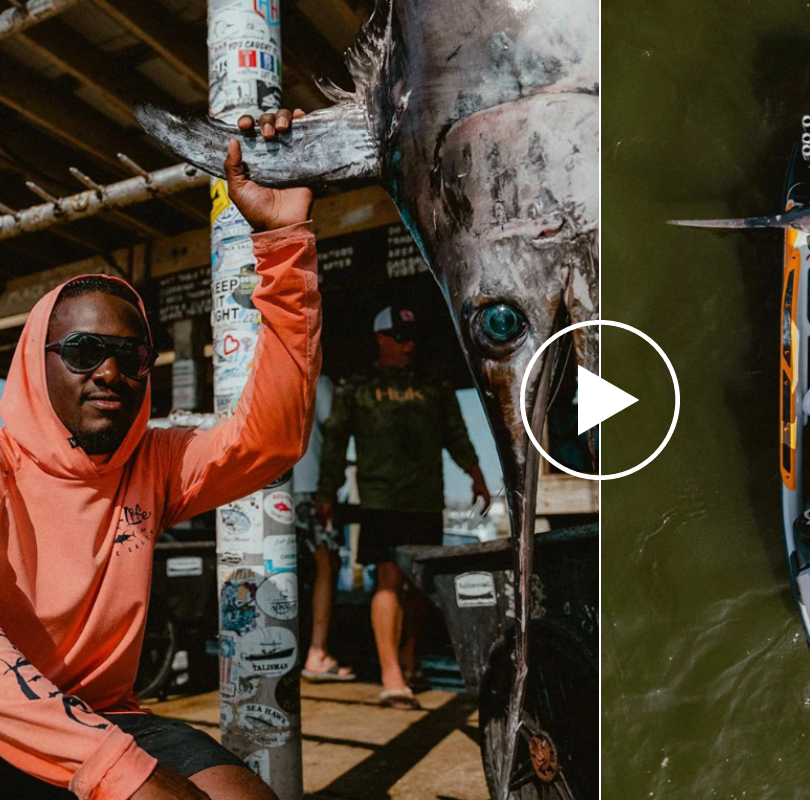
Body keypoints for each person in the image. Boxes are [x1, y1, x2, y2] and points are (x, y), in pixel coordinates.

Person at [0, 110, 318, 800]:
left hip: (106, 714)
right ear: (36, 361)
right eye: (83, 353)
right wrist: (124, 774)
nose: (109, 374)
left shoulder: (152, 462)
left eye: (129, 356)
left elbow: (273, 438)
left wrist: (283, 239)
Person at [316, 306, 489, 710]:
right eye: (399, 336)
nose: (409, 344)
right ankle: (391, 674)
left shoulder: (434, 384)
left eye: (412, 336)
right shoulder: (357, 386)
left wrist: (477, 475)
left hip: (426, 500)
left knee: (419, 585)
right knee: (388, 579)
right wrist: (327, 492)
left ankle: (411, 656)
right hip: (380, 501)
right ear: (380, 338)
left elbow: (457, 434)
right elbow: (336, 443)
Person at [297, 375, 357, 683]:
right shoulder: (318, 380)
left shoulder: (259, 373)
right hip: (312, 489)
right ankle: (317, 653)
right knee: (326, 565)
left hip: (269, 488)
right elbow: (335, 429)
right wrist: (330, 487)